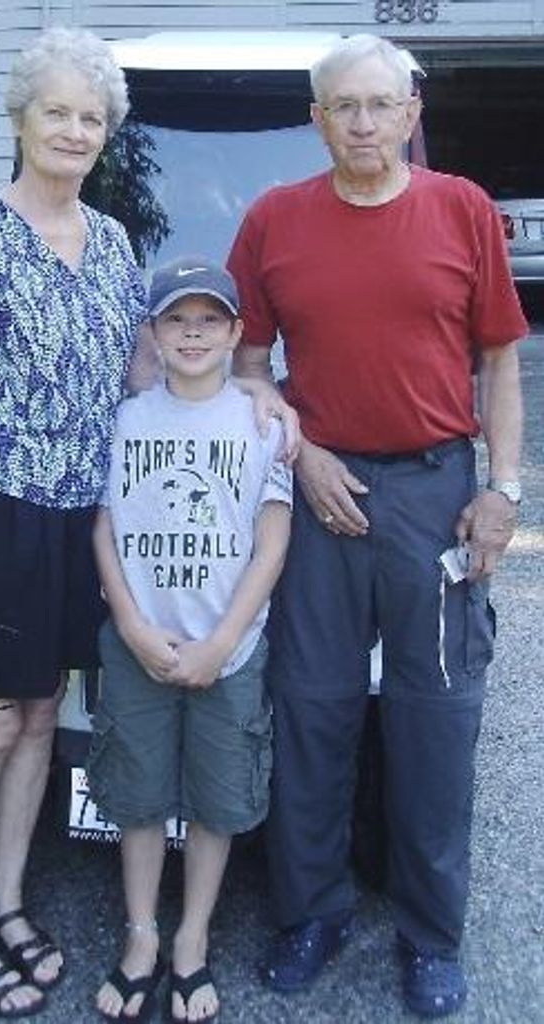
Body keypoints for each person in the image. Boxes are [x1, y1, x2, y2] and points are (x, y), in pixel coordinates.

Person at [227, 33, 527, 1020]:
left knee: (435, 716)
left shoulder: (462, 209)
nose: (362, 123)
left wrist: (503, 490)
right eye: (342, 106)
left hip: (436, 494)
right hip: (322, 494)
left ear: (410, 113)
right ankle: (309, 911)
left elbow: (499, 360)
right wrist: (301, 453)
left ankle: (430, 933)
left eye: (379, 104)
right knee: (311, 709)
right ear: (317, 120)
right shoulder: (274, 221)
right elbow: (248, 367)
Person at [0, 27, 149, 1018]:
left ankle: (7, 903)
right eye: (57, 111)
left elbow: (139, 373)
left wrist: (248, 394)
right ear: (21, 117)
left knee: (45, 710)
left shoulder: (115, 243)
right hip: (0, 508)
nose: (74, 130)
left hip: (80, 517)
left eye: (91, 117)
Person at [88, 257, 292, 1023]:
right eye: (176, 319)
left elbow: (272, 541)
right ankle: (141, 934)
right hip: (139, 642)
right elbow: (103, 527)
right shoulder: (127, 420)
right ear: (153, 333)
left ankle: (191, 939)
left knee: (216, 800)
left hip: (226, 651)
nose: (193, 333)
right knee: (137, 797)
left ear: (237, 333)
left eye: (209, 320)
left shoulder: (260, 422)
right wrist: (131, 623)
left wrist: (222, 641)